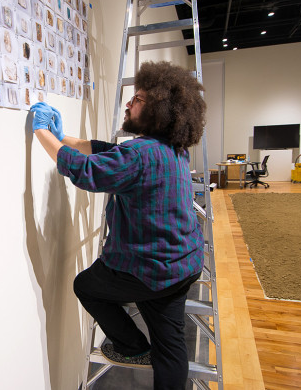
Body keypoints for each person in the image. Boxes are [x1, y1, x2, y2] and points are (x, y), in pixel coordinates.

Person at [29, 61, 207, 390]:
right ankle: (137, 348)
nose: (129, 103)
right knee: (170, 346)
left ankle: (132, 347)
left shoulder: (138, 154)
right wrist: (63, 138)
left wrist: (41, 132)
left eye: (137, 99)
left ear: (157, 109)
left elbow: (86, 171)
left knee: (86, 286)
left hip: (152, 269)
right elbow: (108, 152)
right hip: (183, 264)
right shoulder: (173, 149)